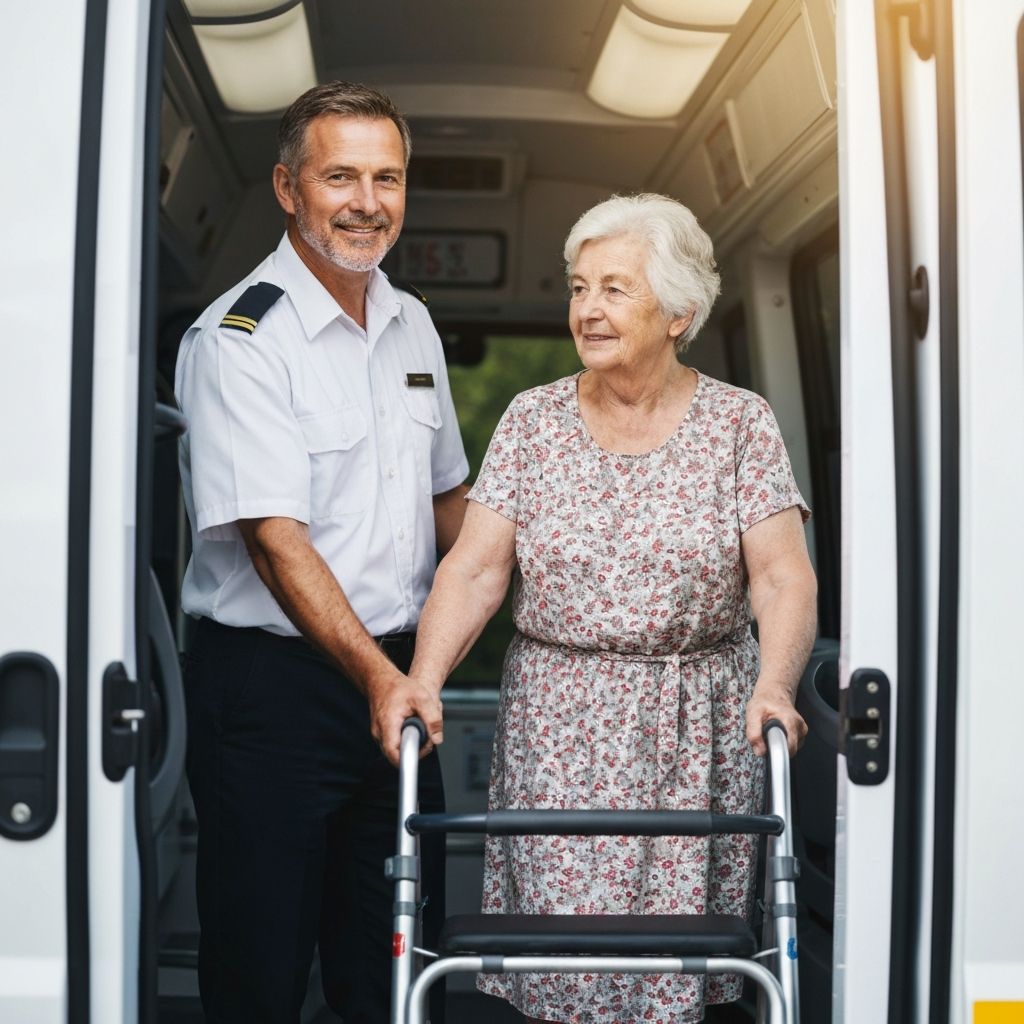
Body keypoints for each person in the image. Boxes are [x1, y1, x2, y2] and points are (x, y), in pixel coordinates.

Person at [404, 193, 817, 1023]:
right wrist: (423, 678)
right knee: (566, 964)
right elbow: (477, 570)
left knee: (679, 962)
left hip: (695, 723)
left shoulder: (740, 423)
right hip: (562, 726)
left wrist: (774, 685)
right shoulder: (533, 421)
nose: (587, 309)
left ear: (679, 311)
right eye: (578, 287)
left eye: (615, 289)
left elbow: (781, 578)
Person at [174, 81, 468, 1024]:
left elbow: (451, 505)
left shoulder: (410, 321)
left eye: (387, 178)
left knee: (393, 968)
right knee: (259, 972)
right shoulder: (241, 338)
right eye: (340, 175)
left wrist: (569, 582)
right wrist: (383, 682)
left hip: (394, 683)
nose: (367, 201)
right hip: (272, 694)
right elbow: (273, 540)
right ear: (288, 188)